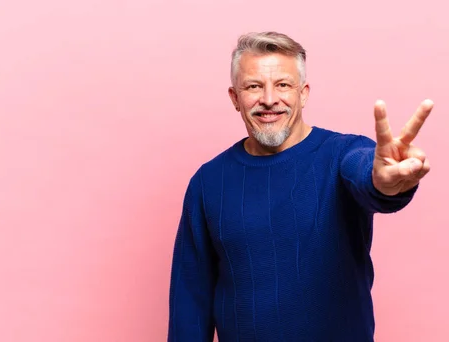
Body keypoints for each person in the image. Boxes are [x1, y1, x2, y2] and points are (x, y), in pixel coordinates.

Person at [167, 31, 433, 342]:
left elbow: (367, 177)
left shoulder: (343, 155)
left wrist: (386, 184)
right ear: (235, 98)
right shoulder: (208, 181)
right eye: (254, 86)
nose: (269, 99)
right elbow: (190, 301)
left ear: (303, 93)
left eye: (283, 85)